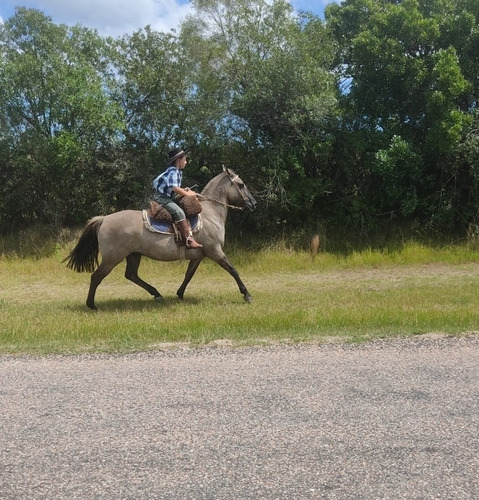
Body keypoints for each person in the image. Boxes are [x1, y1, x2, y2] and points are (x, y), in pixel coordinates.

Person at [152, 147, 203, 249]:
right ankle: (188, 240)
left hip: (168, 197)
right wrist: (187, 194)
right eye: (184, 160)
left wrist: (184, 190)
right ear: (178, 160)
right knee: (179, 212)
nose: (186, 162)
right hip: (162, 198)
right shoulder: (173, 171)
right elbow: (174, 188)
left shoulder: (178, 172)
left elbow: (176, 188)